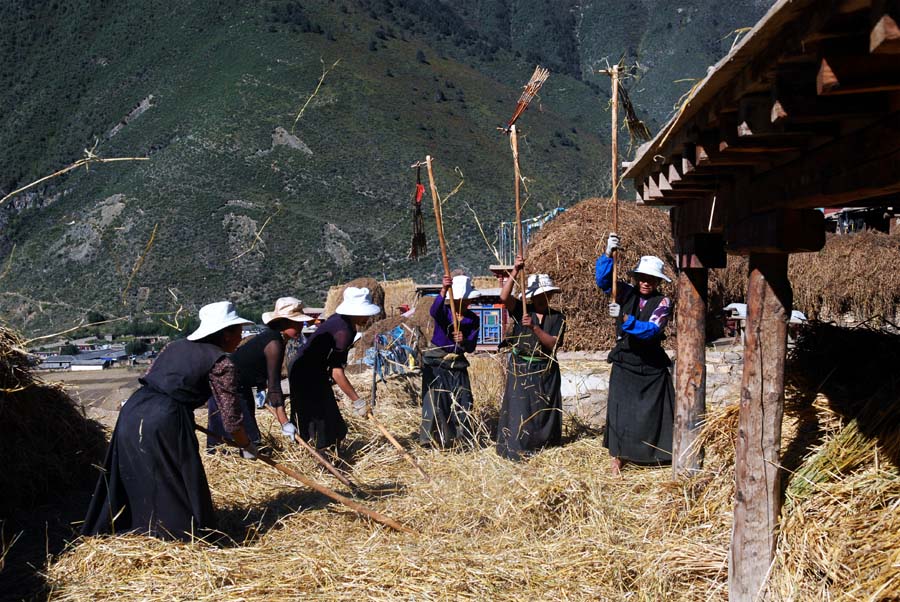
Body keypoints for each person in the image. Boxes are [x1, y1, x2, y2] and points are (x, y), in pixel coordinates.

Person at [82, 302, 257, 541]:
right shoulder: (222, 363)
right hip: (166, 418)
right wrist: (246, 445)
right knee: (177, 477)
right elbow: (231, 417)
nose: (241, 337)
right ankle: (179, 535)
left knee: (137, 472)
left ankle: (135, 527)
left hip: (133, 410)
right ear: (225, 334)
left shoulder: (174, 346)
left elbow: (156, 378)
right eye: (238, 331)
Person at [596, 233, 675, 475]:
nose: (645, 282)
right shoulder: (625, 293)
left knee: (654, 411)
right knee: (620, 410)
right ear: (637, 277)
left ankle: (657, 455)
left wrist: (626, 321)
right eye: (642, 277)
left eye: (651, 279)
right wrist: (608, 255)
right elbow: (603, 281)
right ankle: (618, 458)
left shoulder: (663, 302)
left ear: (657, 281)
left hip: (650, 364)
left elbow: (651, 330)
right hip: (625, 360)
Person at [206, 297, 312, 450]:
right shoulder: (274, 344)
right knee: (244, 436)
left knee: (245, 434)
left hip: (240, 385)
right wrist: (285, 423)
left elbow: (260, 370)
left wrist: (261, 388)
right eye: (296, 323)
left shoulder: (275, 339)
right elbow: (274, 387)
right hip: (228, 386)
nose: (301, 327)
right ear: (284, 323)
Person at [288, 286, 381, 450]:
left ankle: (326, 448)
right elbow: (336, 372)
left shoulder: (341, 320)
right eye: (365, 313)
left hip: (311, 369)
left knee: (330, 419)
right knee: (320, 418)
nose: (368, 316)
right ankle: (322, 456)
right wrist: (357, 401)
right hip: (306, 372)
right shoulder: (343, 331)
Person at [496, 255, 566, 461]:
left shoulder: (557, 317)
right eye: (540, 295)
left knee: (543, 410)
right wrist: (515, 271)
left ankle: (544, 446)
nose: (543, 299)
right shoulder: (521, 310)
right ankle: (517, 448)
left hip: (545, 369)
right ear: (532, 297)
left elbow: (553, 343)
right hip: (521, 368)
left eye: (547, 295)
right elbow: (503, 297)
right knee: (520, 409)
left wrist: (534, 327)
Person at [420, 274, 480, 447]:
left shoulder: (473, 319)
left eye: (468, 300)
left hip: (457, 363)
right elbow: (434, 311)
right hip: (437, 361)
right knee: (436, 402)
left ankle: (461, 438)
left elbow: (471, 347)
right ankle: (433, 439)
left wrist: (464, 341)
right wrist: (444, 289)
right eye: (463, 300)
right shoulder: (445, 313)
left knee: (463, 400)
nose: (466, 303)